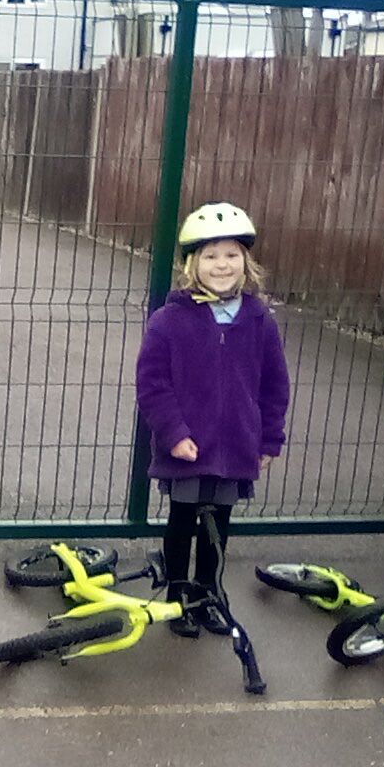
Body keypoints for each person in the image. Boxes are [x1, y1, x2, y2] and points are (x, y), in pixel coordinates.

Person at [135, 202, 290, 636]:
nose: (222, 265)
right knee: (182, 522)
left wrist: (268, 439)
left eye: (231, 255)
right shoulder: (168, 322)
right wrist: (173, 434)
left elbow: (274, 386)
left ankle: (209, 595)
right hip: (188, 444)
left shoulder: (259, 320)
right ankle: (177, 597)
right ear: (191, 264)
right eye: (210, 255)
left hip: (237, 443)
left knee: (217, 528)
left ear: (246, 262)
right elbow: (153, 385)